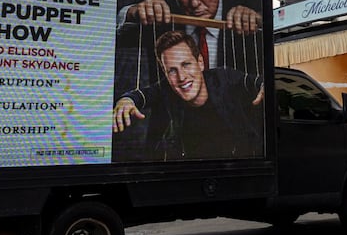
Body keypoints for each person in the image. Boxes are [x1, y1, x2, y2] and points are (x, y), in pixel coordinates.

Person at [112, 30, 263, 161]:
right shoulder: (167, 88)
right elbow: (143, 94)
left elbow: (255, 81)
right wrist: (127, 99)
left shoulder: (224, 77)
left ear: (200, 62)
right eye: (172, 70)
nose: (181, 77)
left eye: (186, 64)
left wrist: (264, 85)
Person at [117, 0, 261, 70]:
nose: (194, 2)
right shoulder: (161, 6)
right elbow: (112, 35)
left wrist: (258, 21)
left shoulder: (246, 4)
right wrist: (132, 13)